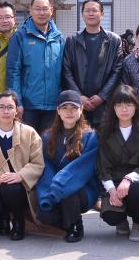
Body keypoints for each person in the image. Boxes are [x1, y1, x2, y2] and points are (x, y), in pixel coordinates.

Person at [0, 91, 52, 242]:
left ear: (16, 110)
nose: (6, 111)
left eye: (10, 107)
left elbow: (37, 162)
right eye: (1, 107)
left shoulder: (29, 133)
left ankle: (18, 221)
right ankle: (3, 217)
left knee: (11, 188)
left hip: (20, 187)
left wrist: (20, 175)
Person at [36, 90, 101, 242]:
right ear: (58, 111)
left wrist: (61, 182)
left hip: (82, 189)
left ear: (81, 109)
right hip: (54, 188)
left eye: (74, 108)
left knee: (69, 189)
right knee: (45, 216)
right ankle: (66, 220)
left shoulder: (91, 136)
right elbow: (46, 165)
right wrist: (51, 188)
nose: (69, 112)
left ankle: (75, 225)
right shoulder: (47, 136)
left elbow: (84, 168)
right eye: (64, 108)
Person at [97, 84, 139, 242]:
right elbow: (103, 165)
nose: (124, 109)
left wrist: (129, 178)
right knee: (110, 215)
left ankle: (138, 223)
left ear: (135, 106)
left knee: (137, 192)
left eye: (128, 104)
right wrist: (112, 190)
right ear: (113, 108)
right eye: (119, 105)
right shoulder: (105, 131)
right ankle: (121, 220)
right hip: (114, 181)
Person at [6, 0, 65, 134]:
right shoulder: (20, 36)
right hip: (28, 106)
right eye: (37, 9)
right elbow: (13, 71)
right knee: (26, 143)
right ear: (30, 10)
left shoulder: (59, 39)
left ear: (51, 11)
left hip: (53, 106)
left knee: (49, 144)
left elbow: (64, 71)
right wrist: (17, 102)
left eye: (45, 9)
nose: (41, 13)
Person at [61, 0, 123, 126]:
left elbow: (117, 71)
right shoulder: (72, 41)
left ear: (102, 14)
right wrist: (78, 96)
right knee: (79, 137)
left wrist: (102, 96)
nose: (91, 14)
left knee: (104, 137)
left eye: (94, 10)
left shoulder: (114, 41)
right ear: (82, 14)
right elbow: (66, 71)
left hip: (104, 105)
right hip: (78, 105)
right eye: (87, 11)